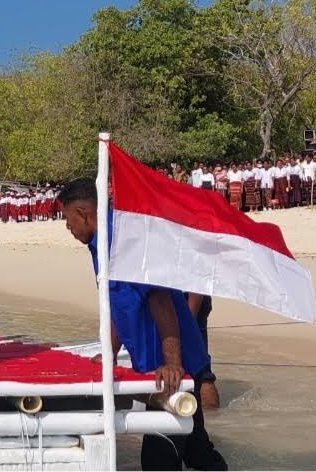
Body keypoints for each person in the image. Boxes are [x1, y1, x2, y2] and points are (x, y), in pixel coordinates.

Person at [58, 178, 227, 471]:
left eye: (68, 218)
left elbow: (159, 299)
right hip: (157, 364)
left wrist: (172, 364)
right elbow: (118, 306)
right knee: (197, 451)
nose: (67, 226)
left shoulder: (123, 241)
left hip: (172, 366)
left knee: (158, 460)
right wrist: (109, 353)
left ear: (83, 213)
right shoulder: (99, 244)